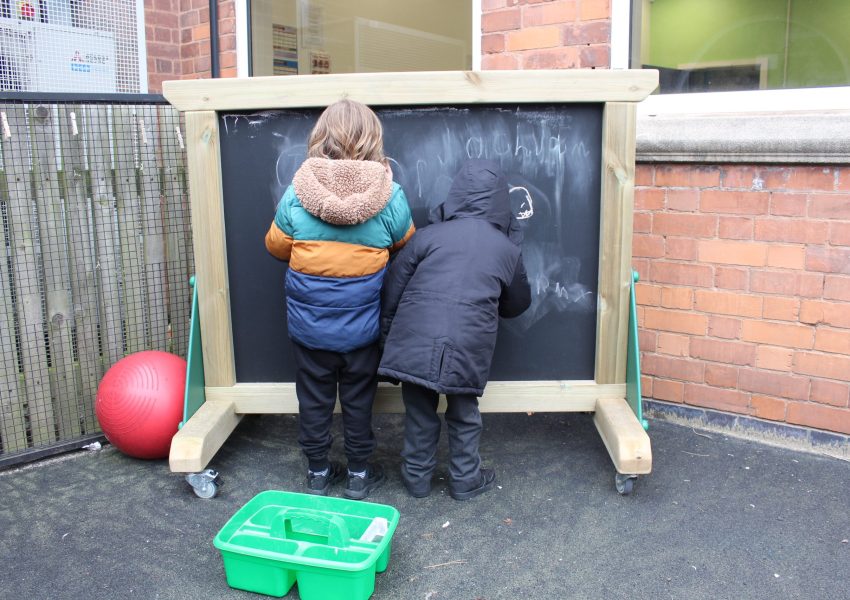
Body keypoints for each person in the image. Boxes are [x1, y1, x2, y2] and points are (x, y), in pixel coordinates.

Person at [265, 99, 414, 499]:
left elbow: (276, 246)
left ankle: (317, 471)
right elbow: (406, 244)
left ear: (321, 138)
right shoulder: (389, 195)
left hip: (309, 330)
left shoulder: (299, 192)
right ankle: (359, 475)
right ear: (372, 140)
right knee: (359, 399)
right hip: (362, 329)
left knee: (313, 399)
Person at [378, 159, 531, 500]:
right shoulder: (505, 249)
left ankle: (416, 480)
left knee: (419, 412)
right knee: (464, 414)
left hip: (415, 339)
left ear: (456, 195)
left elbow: (392, 290)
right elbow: (518, 304)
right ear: (501, 202)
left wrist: (386, 343)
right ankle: (465, 480)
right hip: (469, 343)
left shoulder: (427, 237)